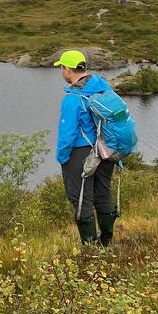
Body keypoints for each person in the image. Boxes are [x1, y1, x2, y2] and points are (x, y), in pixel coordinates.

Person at [54, 50, 118, 246]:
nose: (61, 73)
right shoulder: (103, 89)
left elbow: (68, 134)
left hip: (81, 153)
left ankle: (90, 249)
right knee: (103, 194)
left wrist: (62, 157)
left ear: (67, 70)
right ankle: (106, 242)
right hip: (106, 151)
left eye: (61, 68)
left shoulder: (73, 99)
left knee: (82, 199)